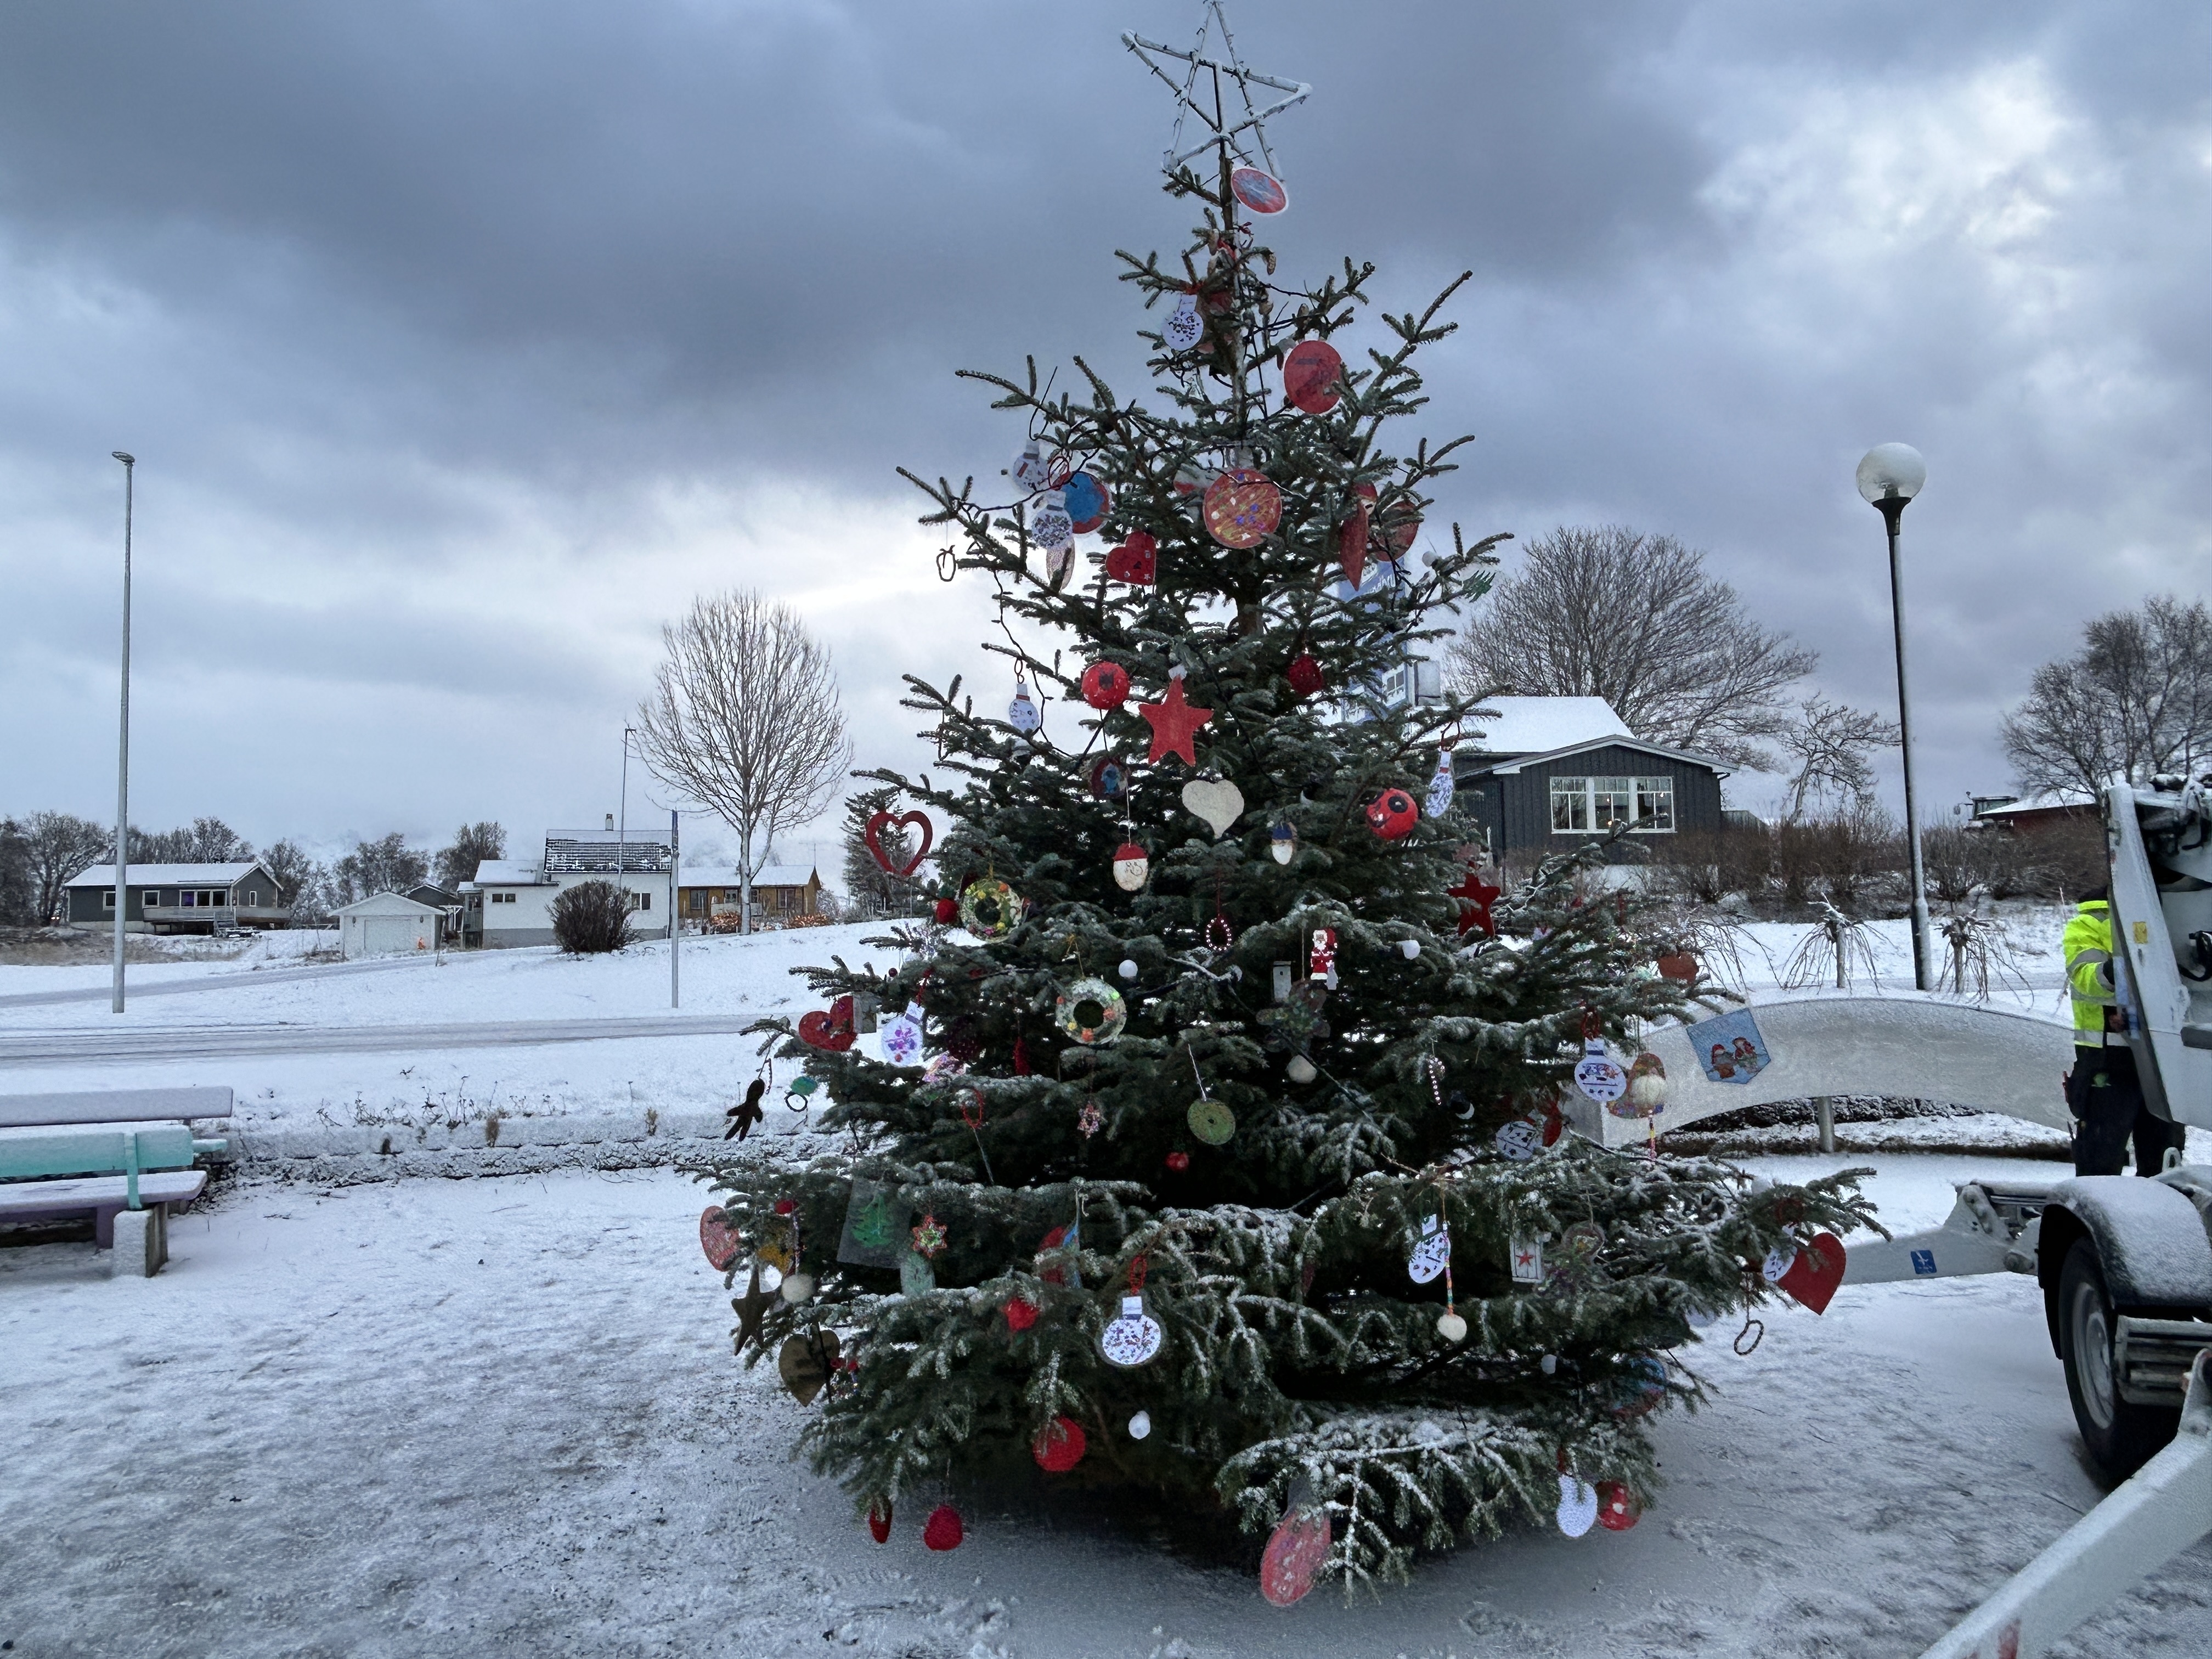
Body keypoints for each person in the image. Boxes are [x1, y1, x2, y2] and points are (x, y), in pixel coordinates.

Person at [2064, 885, 2186, 1176]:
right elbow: (2087, 976)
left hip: (2155, 1054)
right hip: (2111, 1057)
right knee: (2109, 1159)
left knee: (2158, 1158)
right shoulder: (2089, 923)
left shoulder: (2162, 917)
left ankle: (2156, 1213)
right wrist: (2124, 970)